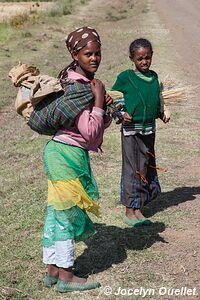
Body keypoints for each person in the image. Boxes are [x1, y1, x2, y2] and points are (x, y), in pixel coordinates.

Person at [42, 26, 112, 293]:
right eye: (87, 54)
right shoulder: (80, 88)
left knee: (57, 214)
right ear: (75, 54)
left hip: (59, 153)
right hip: (66, 156)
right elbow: (91, 134)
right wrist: (97, 100)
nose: (94, 59)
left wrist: (101, 109)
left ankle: (52, 271)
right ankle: (66, 276)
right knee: (67, 216)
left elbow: (92, 126)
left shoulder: (73, 80)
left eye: (97, 53)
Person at [111, 38, 170, 227]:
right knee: (132, 169)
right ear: (132, 59)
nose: (144, 62)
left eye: (147, 58)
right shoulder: (125, 78)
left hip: (148, 131)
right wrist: (121, 113)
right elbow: (112, 100)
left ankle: (138, 208)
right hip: (131, 132)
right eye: (140, 59)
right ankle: (130, 210)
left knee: (144, 166)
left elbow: (156, 99)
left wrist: (161, 113)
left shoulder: (154, 78)